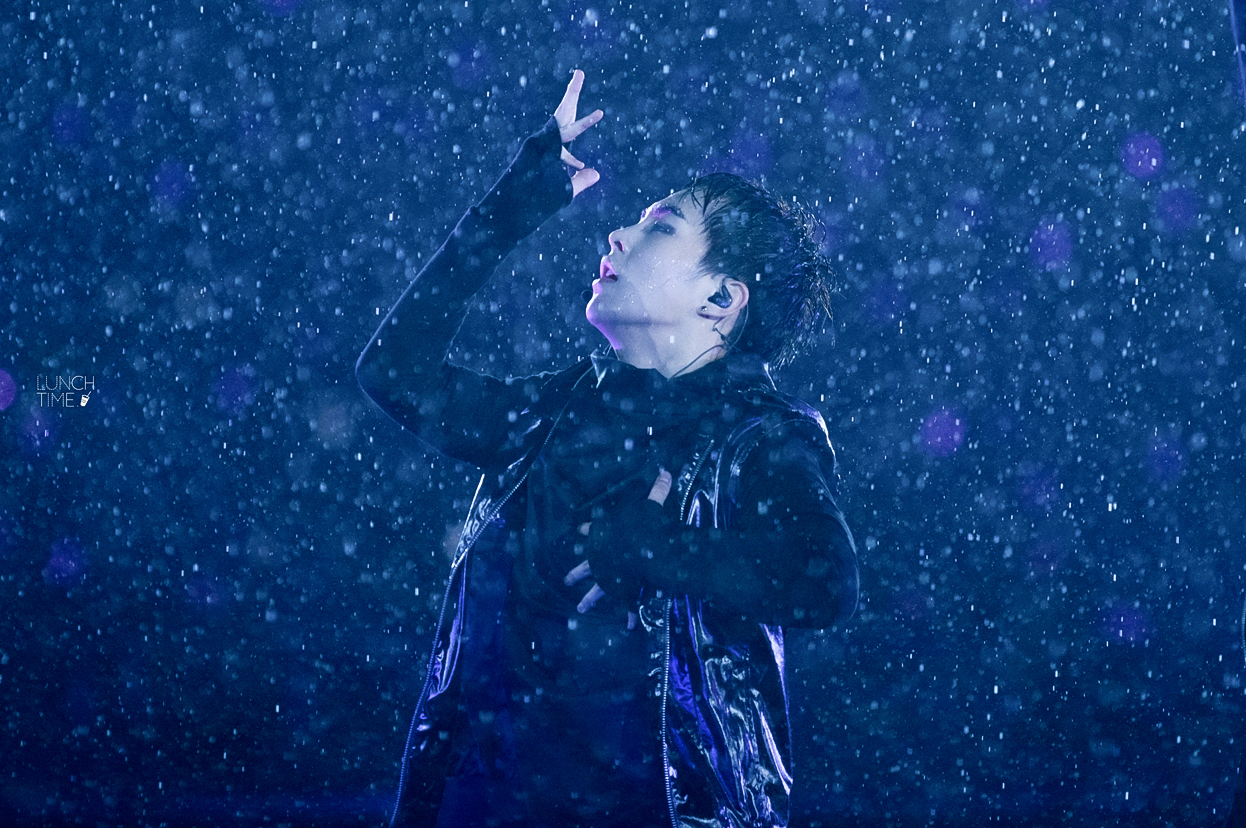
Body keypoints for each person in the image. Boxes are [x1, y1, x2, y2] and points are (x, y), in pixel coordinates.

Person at [356, 70, 859, 828]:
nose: (618, 234)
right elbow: (394, 374)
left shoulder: (762, 436)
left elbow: (825, 581)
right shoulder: (560, 409)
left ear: (721, 298)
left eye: (661, 226)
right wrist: (508, 209)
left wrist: (660, 548)